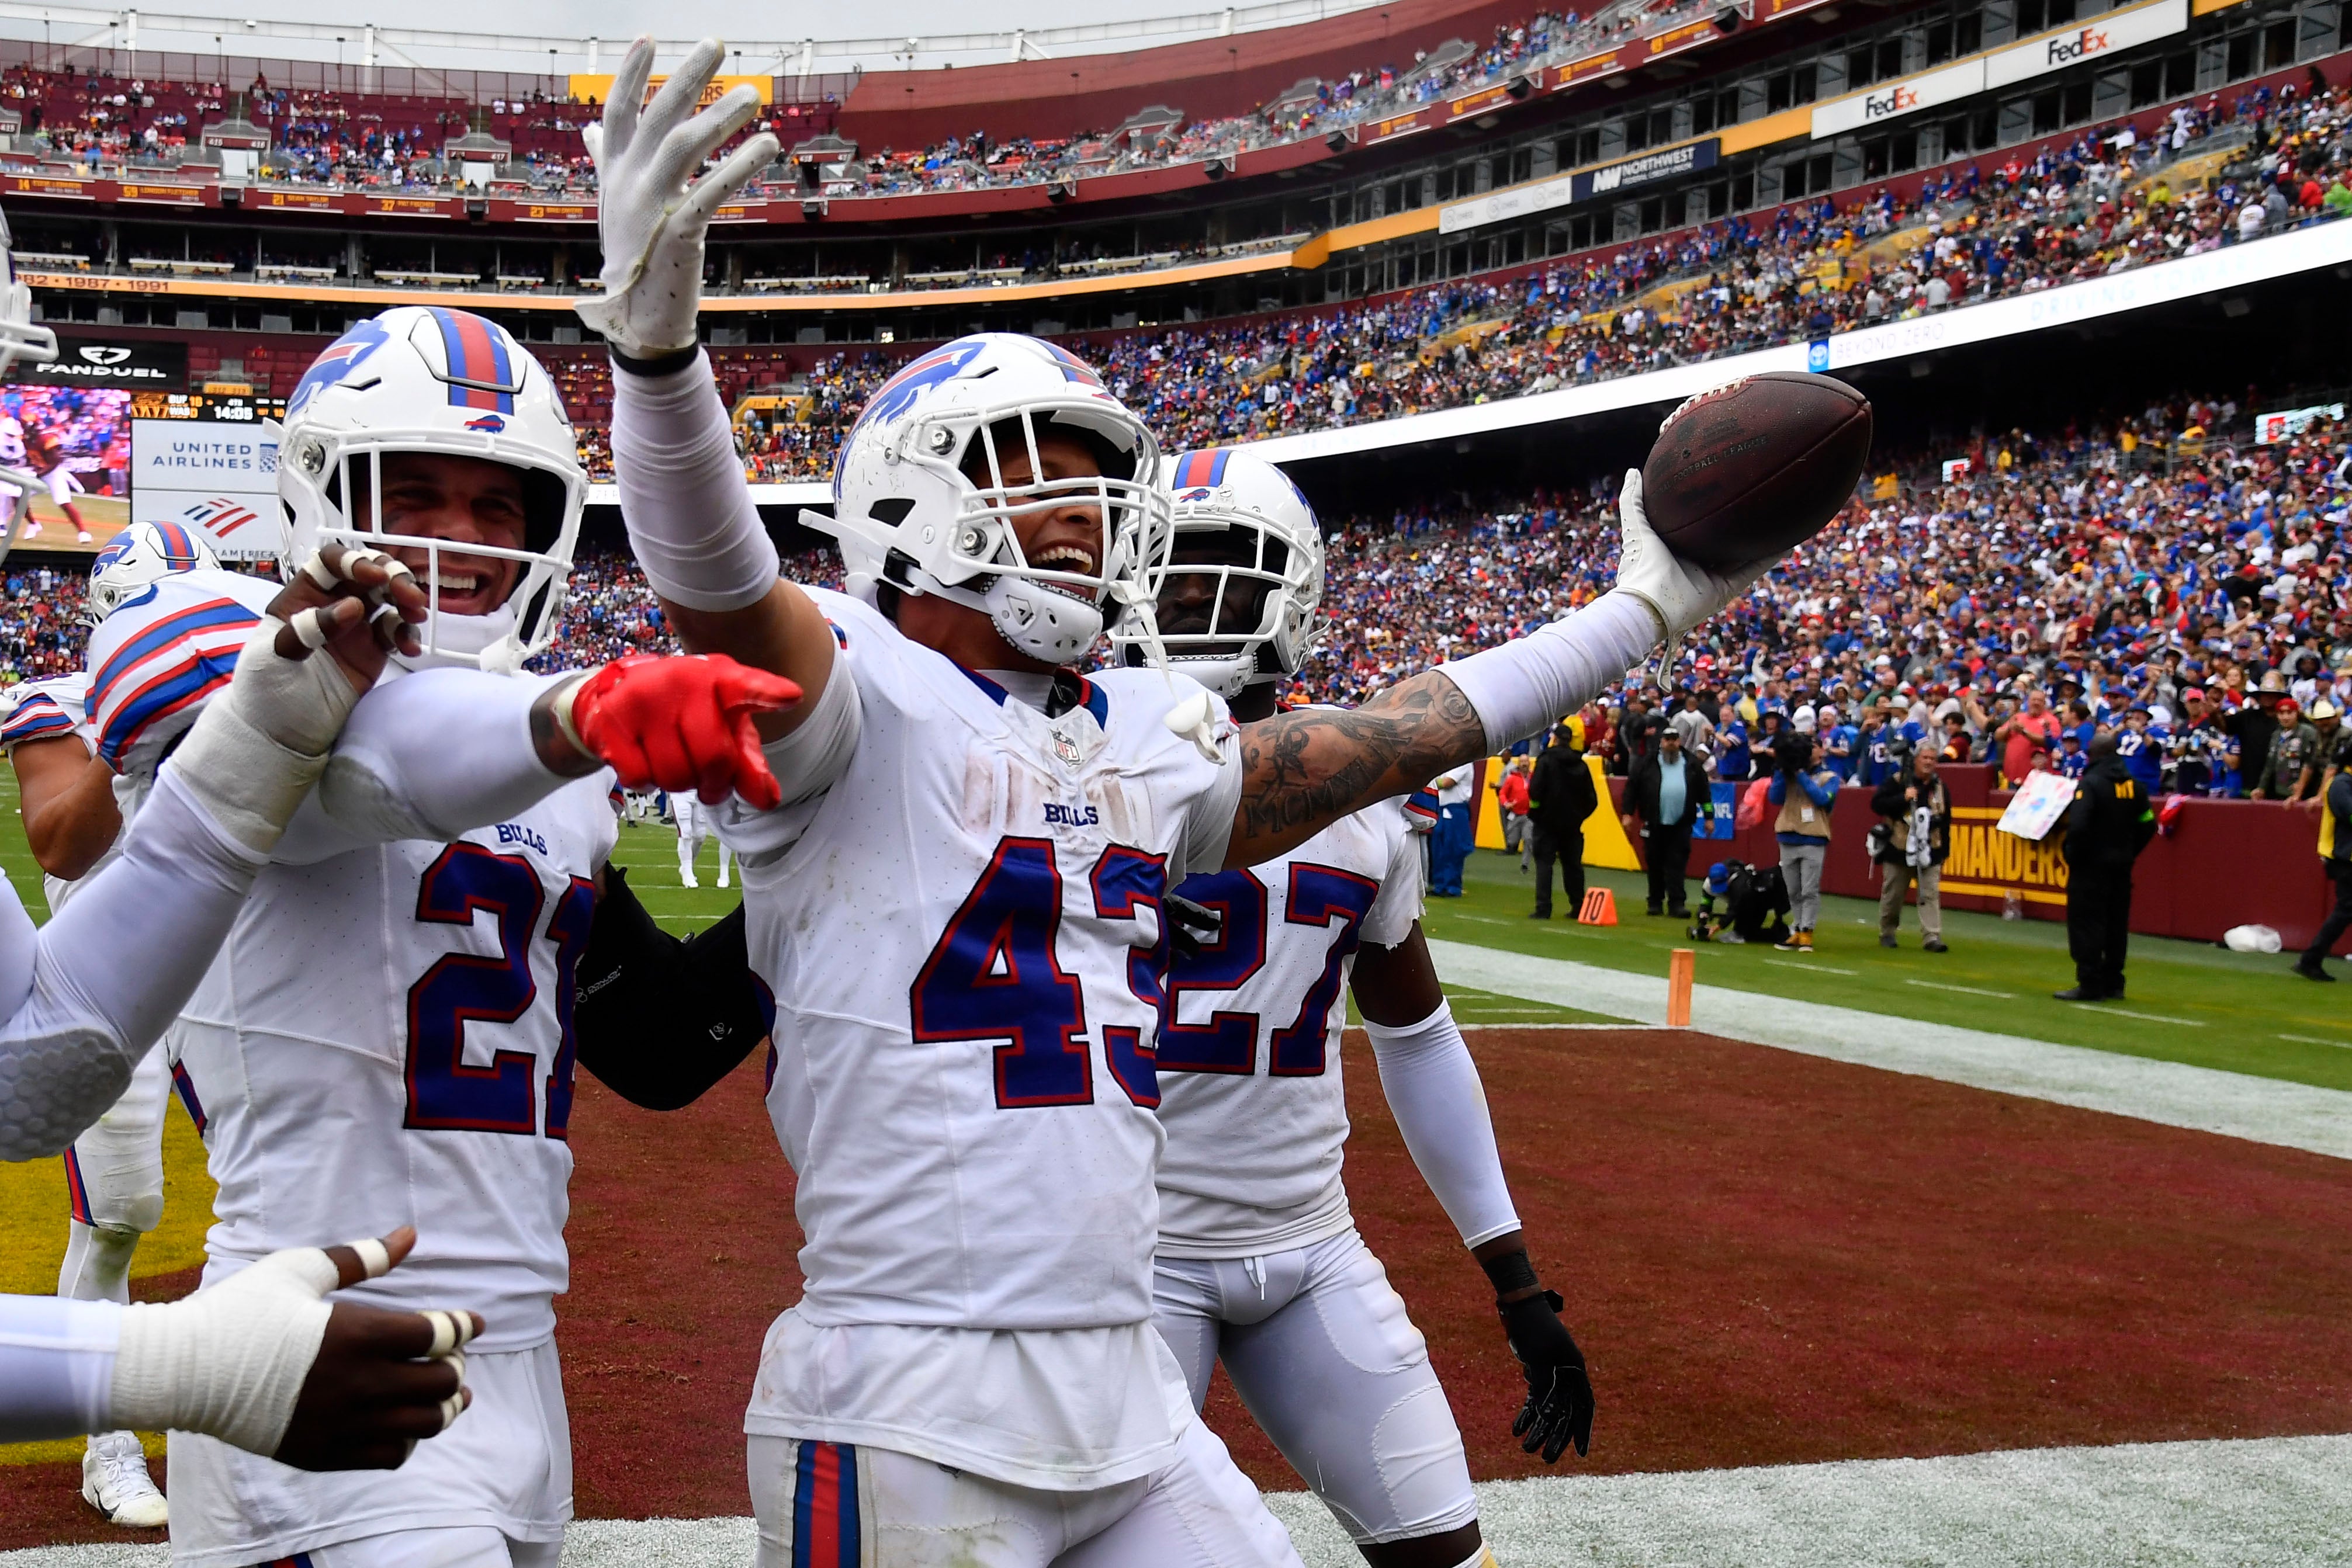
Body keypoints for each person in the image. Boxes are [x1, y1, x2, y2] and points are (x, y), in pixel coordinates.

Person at [577, 38, 1769, 1564]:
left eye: (1094, 481)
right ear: (908, 502)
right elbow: (716, 583)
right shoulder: (849, 694)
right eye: (1029, 476)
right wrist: (661, 367)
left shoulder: (1147, 731)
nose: (1078, 514)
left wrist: (1641, 610)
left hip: (1123, 1385)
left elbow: (1396, 734)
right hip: (906, 1386)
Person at [159, 303, 795, 1568]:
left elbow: (653, 1045)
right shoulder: (245, 681)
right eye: (414, 491)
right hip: (322, 1332)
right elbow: (381, 759)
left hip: (514, 1348)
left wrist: (826, 887)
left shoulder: (553, 769)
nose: (454, 538)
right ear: (322, 497)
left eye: (495, 507)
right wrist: (581, 712)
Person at [1113, 447, 1591, 1568]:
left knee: (1445, 1552)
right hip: (1124, 1259)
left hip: (1307, 1242)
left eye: (1220, 565)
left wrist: (1515, 1277)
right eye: (1169, 569)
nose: (1191, 595)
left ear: (1296, 589)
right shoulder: (1079, 761)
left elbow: (1417, 1036)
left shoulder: (1372, 804)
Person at [1, 521, 226, 1527]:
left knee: (281, 1189)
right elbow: (59, 841)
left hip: (232, 979)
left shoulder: (233, 682)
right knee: (121, 1212)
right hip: (100, 999)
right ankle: (109, 1445)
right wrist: (140, 722)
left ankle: (254, 1424)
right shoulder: (57, 700)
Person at [2056, 730, 2157, 1001]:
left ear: (2093, 755)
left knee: (2086, 925)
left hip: (2090, 869)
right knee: (2115, 926)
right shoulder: (2134, 786)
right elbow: (2149, 823)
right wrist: (2129, 851)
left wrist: (2073, 856)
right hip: (2121, 868)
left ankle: (2089, 983)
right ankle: (2114, 982)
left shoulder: (2090, 784)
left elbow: (2078, 826)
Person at [1623, 724, 1708, 918]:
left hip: (1681, 823)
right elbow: (1632, 789)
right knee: (1654, 863)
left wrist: (1709, 817)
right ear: (1661, 742)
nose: (1671, 743)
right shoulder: (1648, 763)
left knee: (1677, 864)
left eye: (1675, 739)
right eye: (1668, 739)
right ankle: (1655, 901)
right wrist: (1628, 814)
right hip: (1654, 822)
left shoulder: (1691, 763)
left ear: (1679, 741)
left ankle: (1677, 903)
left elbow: (1704, 792)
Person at [1872, 746, 1950, 952]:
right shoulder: (1898, 781)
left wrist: (1944, 852)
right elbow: (1877, 804)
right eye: (1925, 757)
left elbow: (1946, 821)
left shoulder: (1939, 787)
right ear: (1916, 760)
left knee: (1930, 894)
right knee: (1894, 895)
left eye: (1933, 759)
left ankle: (1932, 936)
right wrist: (1903, 798)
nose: (1929, 762)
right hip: (1898, 848)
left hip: (1930, 848)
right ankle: (1887, 931)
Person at [1765, 733, 1836, 952]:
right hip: (1787, 836)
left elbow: (1823, 799)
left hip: (1813, 837)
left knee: (1809, 889)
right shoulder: (1786, 774)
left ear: (1821, 751)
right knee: (1793, 890)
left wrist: (1801, 774)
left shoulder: (1829, 777)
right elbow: (1775, 798)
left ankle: (1807, 931)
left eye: (1814, 746)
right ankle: (1797, 929)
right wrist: (1781, 771)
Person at [1527, 720, 1597, 920]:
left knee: (1544, 865)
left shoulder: (1546, 760)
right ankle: (1578, 906)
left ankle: (1543, 908)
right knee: (1573, 865)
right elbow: (1592, 800)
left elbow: (1535, 791)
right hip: (1572, 825)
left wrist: (1539, 813)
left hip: (1546, 823)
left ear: (1555, 739)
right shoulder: (1581, 764)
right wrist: (1578, 817)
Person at [2297, 746, 2352, 981]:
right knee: (2345, 909)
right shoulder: (2341, 784)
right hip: (2345, 858)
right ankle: (2310, 959)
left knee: (2345, 910)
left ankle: (2311, 959)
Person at [1426, 761, 1475, 897]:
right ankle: (1440, 884)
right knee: (1439, 848)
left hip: (1455, 809)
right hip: (1443, 808)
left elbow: (1447, 783)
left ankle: (1452, 886)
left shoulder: (1464, 763)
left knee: (1453, 847)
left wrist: (1428, 782)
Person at [674, 787, 733, 889]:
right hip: (680, 792)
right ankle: (688, 873)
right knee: (686, 833)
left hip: (701, 792)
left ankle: (687, 866)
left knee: (700, 835)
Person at [1495, 753, 1532, 871]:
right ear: (1519, 764)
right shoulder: (1512, 778)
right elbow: (1503, 793)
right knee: (1512, 839)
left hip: (1529, 814)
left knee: (1528, 838)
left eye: (1526, 761)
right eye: (1522, 762)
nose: (1524, 764)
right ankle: (1511, 847)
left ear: (1529, 763)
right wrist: (1506, 804)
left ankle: (1525, 864)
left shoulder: (1534, 777)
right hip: (1515, 814)